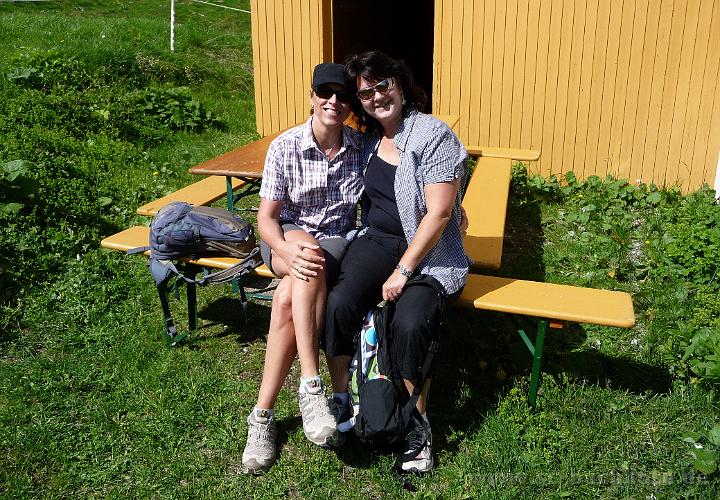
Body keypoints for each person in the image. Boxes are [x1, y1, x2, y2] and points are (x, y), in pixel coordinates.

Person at [324, 51, 470, 474]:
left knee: (409, 323)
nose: (376, 97)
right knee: (340, 303)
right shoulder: (369, 137)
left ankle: (415, 425)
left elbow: (439, 214)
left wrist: (404, 271)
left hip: (431, 254)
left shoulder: (432, 135)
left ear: (401, 84)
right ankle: (342, 399)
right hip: (378, 240)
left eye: (382, 86)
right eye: (365, 92)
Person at [241, 63, 363, 474]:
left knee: (286, 298)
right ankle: (312, 385)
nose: (334, 101)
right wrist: (284, 250)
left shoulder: (360, 147)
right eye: (325, 92)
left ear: (351, 104)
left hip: (335, 239)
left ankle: (262, 416)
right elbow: (267, 218)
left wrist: (452, 205)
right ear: (311, 97)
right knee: (307, 258)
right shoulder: (286, 146)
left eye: (342, 95)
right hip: (285, 236)